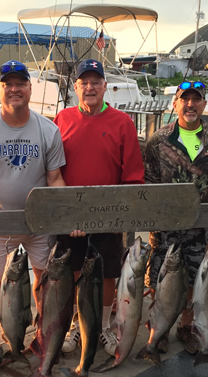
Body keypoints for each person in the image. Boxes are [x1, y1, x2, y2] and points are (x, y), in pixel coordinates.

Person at [0, 60, 66, 368]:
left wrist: (62, 215)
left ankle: (42, 333)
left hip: (37, 222)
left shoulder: (48, 130)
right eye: (7, 84)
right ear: (0, 89)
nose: (14, 89)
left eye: (20, 83)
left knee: (44, 281)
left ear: (29, 88)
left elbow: (55, 179)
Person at [53, 59, 145, 356]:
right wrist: (66, 213)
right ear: (76, 87)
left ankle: (103, 326)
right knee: (73, 271)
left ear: (106, 86)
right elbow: (52, 171)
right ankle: (75, 326)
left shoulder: (123, 122)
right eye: (84, 82)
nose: (90, 87)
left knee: (107, 274)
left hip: (109, 214)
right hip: (70, 215)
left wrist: (122, 216)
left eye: (96, 82)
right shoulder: (61, 119)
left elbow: (132, 175)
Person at [142, 80, 208, 354]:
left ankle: (185, 325)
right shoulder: (158, 140)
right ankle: (160, 326)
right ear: (175, 103)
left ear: (204, 104)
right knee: (160, 278)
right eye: (185, 99)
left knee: (196, 279)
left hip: (200, 226)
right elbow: (149, 183)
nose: (190, 104)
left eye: (196, 99)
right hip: (165, 226)